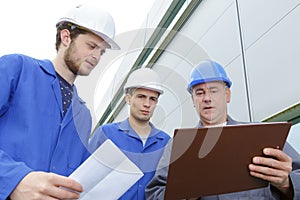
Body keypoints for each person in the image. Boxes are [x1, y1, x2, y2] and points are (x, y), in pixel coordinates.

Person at [0, 4, 120, 200]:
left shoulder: (83, 116)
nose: (97, 57)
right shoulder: (17, 69)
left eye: (102, 52)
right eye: (91, 46)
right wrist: (13, 181)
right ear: (66, 37)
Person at [145, 60, 300, 199]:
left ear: (227, 95)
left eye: (213, 90)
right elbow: (154, 194)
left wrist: (287, 183)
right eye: (199, 93)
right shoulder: (178, 145)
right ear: (193, 100)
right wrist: (185, 194)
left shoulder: (260, 136)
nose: (207, 98)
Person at [88, 67, 171, 200]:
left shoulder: (167, 142)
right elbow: (87, 179)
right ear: (128, 99)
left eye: (153, 99)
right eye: (141, 97)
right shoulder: (106, 134)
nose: (147, 104)